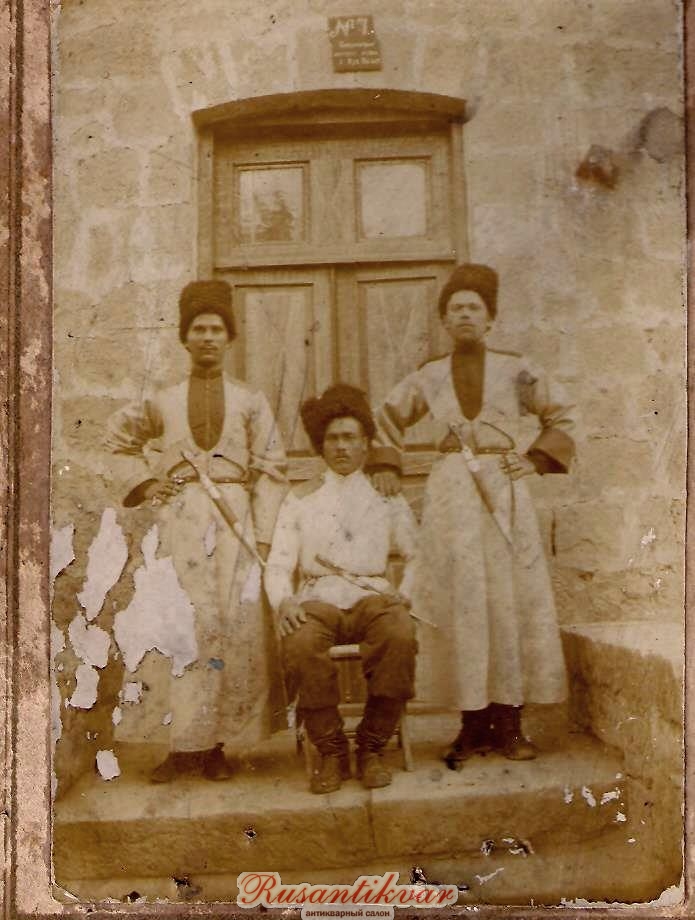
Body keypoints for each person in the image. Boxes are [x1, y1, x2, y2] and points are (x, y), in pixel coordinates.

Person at [370, 263, 576, 769]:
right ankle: (470, 724)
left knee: (506, 601)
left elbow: (563, 414)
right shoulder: (429, 374)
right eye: (455, 308)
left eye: (474, 308)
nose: (464, 315)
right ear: (444, 320)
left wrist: (533, 459)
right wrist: (387, 466)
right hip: (452, 496)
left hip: (503, 490)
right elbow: (388, 418)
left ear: (490, 319)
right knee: (462, 601)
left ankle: (510, 724)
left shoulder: (517, 369)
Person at [105, 280, 287, 782]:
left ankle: (216, 747)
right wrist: (147, 483)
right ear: (185, 338)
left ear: (229, 338)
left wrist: (262, 536)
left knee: (228, 626)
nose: (208, 338)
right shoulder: (161, 400)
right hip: (181, 521)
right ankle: (179, 746)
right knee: (180, 625)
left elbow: (273, 467)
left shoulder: (250, 401)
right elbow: (117, 438)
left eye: (216, 330)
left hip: (234, 522)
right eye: (199, 330)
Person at [264, 384, 418, 794]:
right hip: (319, 598)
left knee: (400, 635)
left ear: (366, 443)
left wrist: (407, 592)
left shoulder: (386, 496)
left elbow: (417, 554)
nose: (341, 447)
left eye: (350, 437)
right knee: (299, 642)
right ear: (321, 445)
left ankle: (371, 747)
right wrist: (283, 601)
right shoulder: (299, 498)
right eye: (332, 438)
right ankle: (331, 750)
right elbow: (278, 562)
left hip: (373, 596)